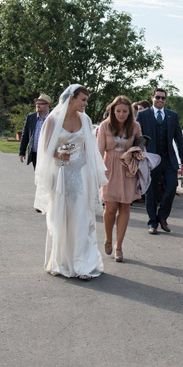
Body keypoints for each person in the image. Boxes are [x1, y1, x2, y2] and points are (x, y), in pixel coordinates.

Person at [34, 84, 107, 281]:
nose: (86, 104)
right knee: (61, 220)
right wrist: (60, 154)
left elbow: (89, 149)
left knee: (82, 218)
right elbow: (45, 150)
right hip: (61, 176)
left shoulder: (85, 120)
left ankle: (84, 264)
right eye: (83, 99)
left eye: (87, 100)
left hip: (80, 175)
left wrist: (94, 175)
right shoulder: (53, 120)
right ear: (72, 98)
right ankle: (62, 261)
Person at [136, 88, 183, 234]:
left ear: (165, 100)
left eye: (163, 98)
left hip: (168, 159)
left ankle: (162, 216)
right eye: (157, 97)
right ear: (152, 97)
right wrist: (137, 153)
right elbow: (137, 136)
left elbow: (179, 139)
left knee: (172, 187)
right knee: (151, 192)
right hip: (151, 160)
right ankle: (152, 223)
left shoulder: (172, 115)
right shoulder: (142, 115)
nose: (160, 100)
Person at [97, 96, 142, 263]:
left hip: (127, 168)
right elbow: (99, 150)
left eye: (124, 111)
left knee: (125, 206)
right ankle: (108, 238)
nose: (121, 114)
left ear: (129, 112)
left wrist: (138, 151)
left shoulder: (135, 126)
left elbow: (140, 145)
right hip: (109, 167)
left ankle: (119, 246)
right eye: (118, 111)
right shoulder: (105, 125)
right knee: (110, 207)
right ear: (112, 111)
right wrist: (97, 172)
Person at [19, 94, 52, 169]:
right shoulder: (31, 117)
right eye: (37, 103)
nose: (38, 105)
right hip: (35, 153)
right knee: (38, 176)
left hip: (48, 154)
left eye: (41, 104)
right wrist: (22, 152)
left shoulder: (54, 118)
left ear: (48, 105)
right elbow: (25, 135)